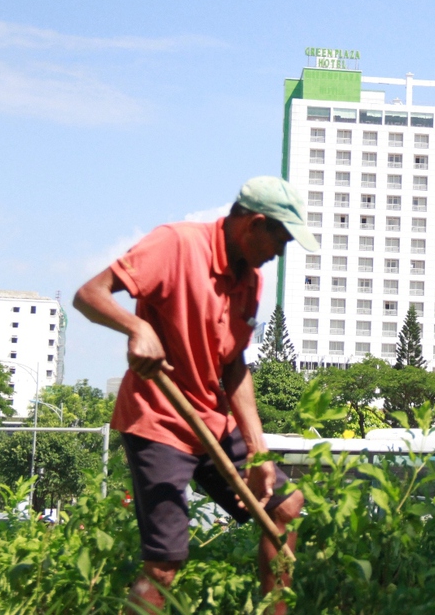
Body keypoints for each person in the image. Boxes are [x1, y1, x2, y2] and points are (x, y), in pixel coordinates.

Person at [73, 176, 318, 614]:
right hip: (158, 420)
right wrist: (138, 327)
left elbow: (235, 366)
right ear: (253, 224)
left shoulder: (250, 280)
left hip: (211, 419)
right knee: (165, 563)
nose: (279, 253)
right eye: (279, 240)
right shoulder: (176, 245)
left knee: (285, 508)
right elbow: (88, 295)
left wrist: (259, 454)